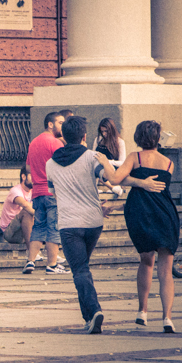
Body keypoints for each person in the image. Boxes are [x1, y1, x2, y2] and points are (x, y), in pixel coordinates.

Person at [102, 121, 178, 333]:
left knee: (146, 262)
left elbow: (116, 178)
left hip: (142, 216)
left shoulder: (135, 157)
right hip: (166, 215)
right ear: (158, 138)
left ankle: (142, 312)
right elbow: (155, 196)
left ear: (138, 137)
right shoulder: (168, 163)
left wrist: (104, 162)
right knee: (166, 271)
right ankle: (167, 318)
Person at [45, 116, 111, 334]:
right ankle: (88, 317)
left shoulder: (50, 164)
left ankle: (94, 311)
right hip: (93, 221)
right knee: (81, 268)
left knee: (80, 270)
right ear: (84, 136)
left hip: (69, 223)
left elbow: (53, 192)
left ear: (63, 136)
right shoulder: (92, 157)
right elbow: (105, 177)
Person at [24, 111, 67, 275]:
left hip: (37, 192)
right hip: (52, 193)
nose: (63, 126)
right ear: (51, 124)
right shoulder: (55, 143)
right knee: (54, 228)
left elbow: (28, 167)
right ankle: (52, 265)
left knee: (38, 227)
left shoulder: (34, 142)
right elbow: (62, 166)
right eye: (60, 123)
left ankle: (30, 261)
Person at [0, 166, 34, 248]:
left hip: (25, 230)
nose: (35, 178)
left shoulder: (33, 191)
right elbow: (25, 205)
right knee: (26, 212)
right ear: (23, 176)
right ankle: (32, 252)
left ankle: (53, 253)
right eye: (32, 175)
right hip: (10, 232)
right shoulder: (15, 191)